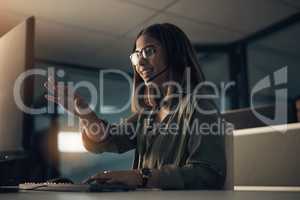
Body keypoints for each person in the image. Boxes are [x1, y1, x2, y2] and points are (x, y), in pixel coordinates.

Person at [45, 23, 227, 190]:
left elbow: (208, 175)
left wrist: (141, 177)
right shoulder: (148, 115)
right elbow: (108, 141)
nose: (140, 63)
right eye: (136, 55)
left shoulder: (200, 105)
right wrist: (87, 116)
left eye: (149, 51)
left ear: (174, 53)